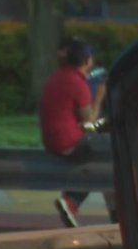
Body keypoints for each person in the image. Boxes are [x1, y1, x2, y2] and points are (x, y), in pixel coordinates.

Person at [39, 37, 114, 227]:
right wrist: (99, 97)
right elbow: (89, 122)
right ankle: (72, 200)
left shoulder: (57, 77)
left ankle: (115, 211)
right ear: (88, 61)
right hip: (68, 142)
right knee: (109, 154)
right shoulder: (78, 84)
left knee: (103, 152)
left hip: (51, 140)